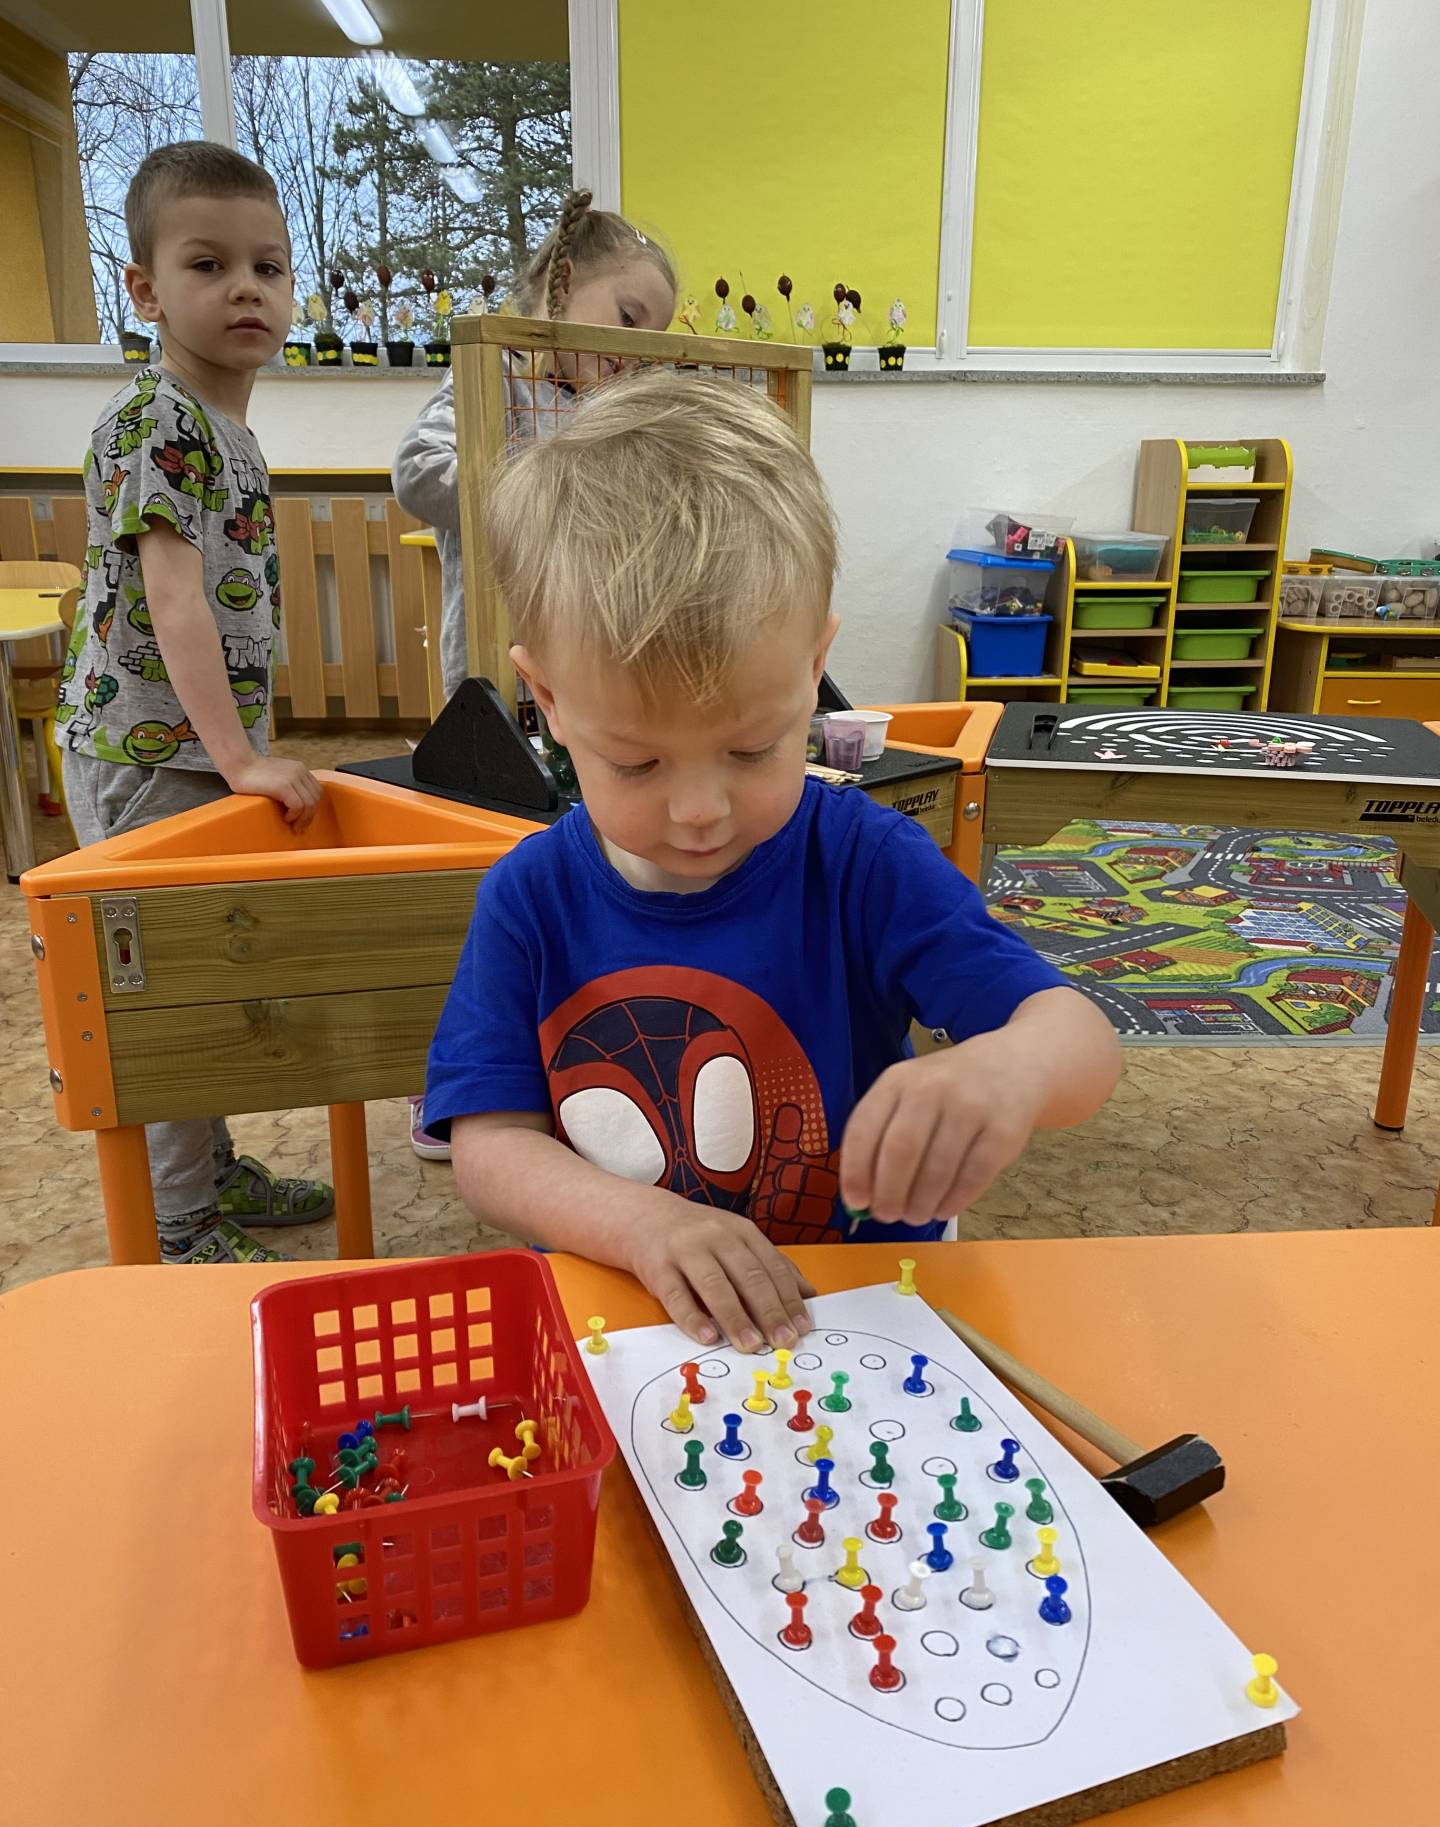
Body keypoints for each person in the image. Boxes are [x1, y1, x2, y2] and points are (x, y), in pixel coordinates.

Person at [424, 373, 1121, 1351]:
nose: (700, 811)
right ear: (546, 700)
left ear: (814, 668)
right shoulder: (530, 898)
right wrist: (643, 1226)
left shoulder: (863, 861)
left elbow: (1081, 1040)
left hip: (854, 1324)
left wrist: (1010, 1069)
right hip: (632, 1331)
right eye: (637, 763)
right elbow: (491, 1149)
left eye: (753, 749)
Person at [57, 141, 332, 1264]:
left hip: (187, 753)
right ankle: (181, 1225)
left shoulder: (222, 427)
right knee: (168, 990)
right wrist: (243, 760)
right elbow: (175, 604)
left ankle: (213, 1176)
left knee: (205, 971)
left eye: (268, 266)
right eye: (208, 265)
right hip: (147, 757)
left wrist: (237, 751)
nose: (245, 289)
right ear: (146, 290)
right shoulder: (157, 420)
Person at [392, 186, 676, 1159]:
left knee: (578, 870)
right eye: (625, 317)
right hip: (496, 685)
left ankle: (564, 1063)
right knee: (484, 883)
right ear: (561, 286)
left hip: (589, 684)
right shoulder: (493, 377)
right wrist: (527, 473)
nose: (632, 348)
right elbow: (418, 471)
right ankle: (453, 1081)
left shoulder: (611, 408)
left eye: (652, 337)